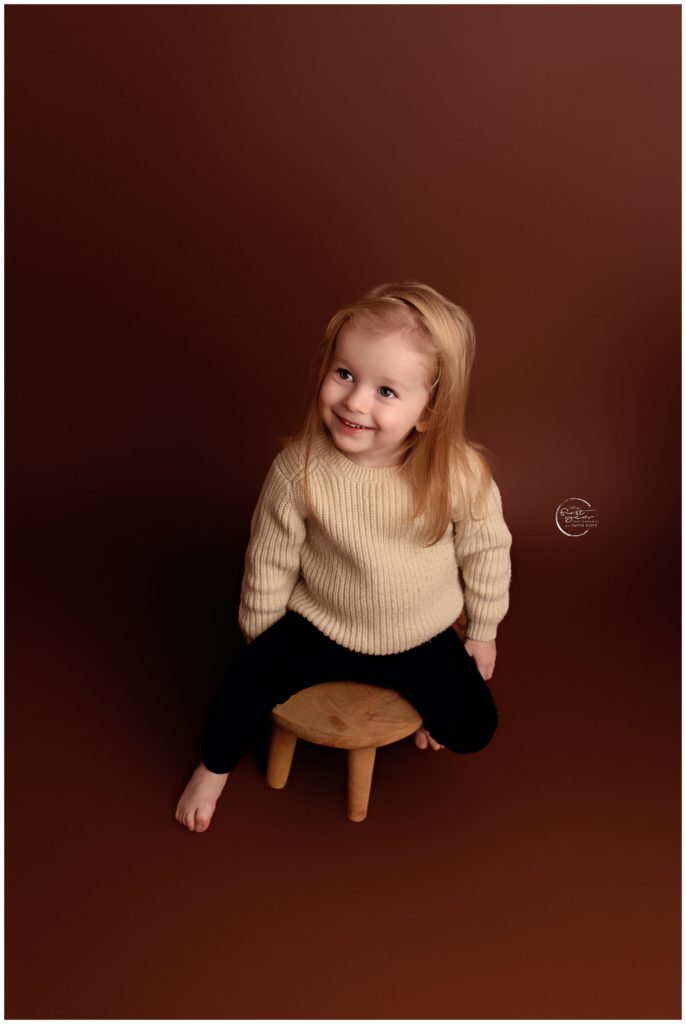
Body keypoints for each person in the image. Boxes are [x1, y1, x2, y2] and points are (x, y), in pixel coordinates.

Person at [175, 281, 513, 832]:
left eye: (387, 391)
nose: (355, 401)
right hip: (322, 624)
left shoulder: (457, 472)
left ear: (428, 412)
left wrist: (484, 628)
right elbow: (270, 558)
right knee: (239, 690)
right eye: (345, 374)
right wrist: (261, 635)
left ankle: (428, 710)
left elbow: (487, 550)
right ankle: (213, 769)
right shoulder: (298, 471)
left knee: (475, 727)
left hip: (420, 634)